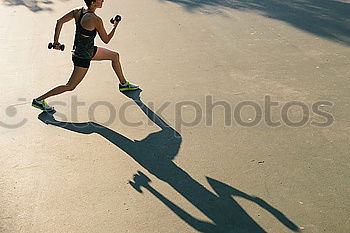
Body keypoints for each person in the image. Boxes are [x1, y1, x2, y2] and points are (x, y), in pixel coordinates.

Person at [32, 0, 139, 112]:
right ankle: (39, 100)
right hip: (83, 58)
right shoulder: (95, 19)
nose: (103, 0)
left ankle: (123, 84)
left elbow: (60, 22)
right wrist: (115, 26)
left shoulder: (78, 11)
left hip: (86, 50)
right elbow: (106, 40)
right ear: (93, 2)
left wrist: (56, 42)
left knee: (114, 56)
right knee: (70, 86)